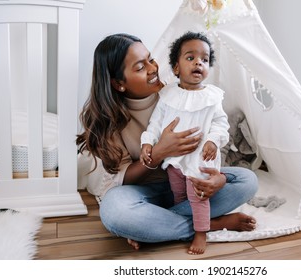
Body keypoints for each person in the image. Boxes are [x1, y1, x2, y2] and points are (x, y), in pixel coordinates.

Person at [76, 33, 258, 253]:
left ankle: (157, 228)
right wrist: (160, 151)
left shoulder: (178, 93)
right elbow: (122, 179)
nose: (153, 68)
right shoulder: (111, 121)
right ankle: (209, 224)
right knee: (115, 212)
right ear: (118, 83)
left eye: (150, 59)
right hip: (146, 192)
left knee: (247, 180)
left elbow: (212, 135)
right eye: (140, 67)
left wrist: (217, 179)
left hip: (191, 179)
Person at [140, 31, 229, 254]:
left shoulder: (212, 98)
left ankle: (201, 233)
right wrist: (147, 143)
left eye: (204, 59)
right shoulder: (168, 95)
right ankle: (185, 223)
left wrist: (213, 141)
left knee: (198, 197)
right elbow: (155, 123)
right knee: (179, 195)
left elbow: (221, 124)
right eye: (190, 58)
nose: (198, 62)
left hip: (199, 160)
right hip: (174, 162)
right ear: (176, 68)